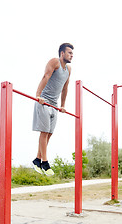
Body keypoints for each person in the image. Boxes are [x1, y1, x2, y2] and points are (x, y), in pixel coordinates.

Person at [32, 43, 74, 176]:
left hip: (54, 105)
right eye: (69, 53)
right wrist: (38, 96)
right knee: (44, 132)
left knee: (49, 133)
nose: (71, 55)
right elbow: (45, 77)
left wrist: (63, 105)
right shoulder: (54, 62)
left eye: (72, 53)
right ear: (62, 53)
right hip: (44, 101)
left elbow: (65, 88)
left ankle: (37, 160)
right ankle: (45, 162)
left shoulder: (69, 69)